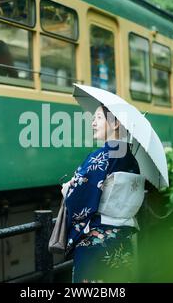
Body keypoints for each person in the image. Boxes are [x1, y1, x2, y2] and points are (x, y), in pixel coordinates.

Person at [62, 103, 142, 283]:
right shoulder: (131, 159)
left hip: (98, 244)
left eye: (98, 118)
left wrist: (66, 190)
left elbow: (78, 197)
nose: (93, 123)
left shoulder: (100, 157)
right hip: (123, 240)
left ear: (115, 124)